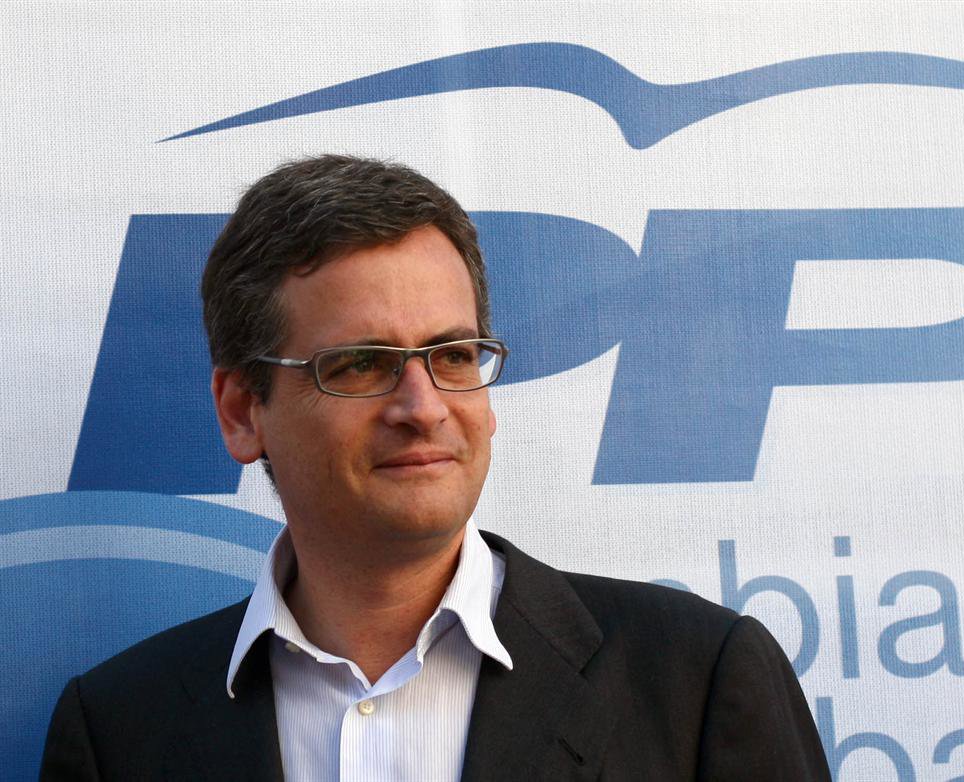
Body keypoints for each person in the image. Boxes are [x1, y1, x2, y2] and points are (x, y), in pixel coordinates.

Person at [40, 155, 831, 780]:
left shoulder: (695, 680)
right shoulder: (119, 732)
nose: (423, 407)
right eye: (360, 364)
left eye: (453, 355)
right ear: (244, 411)